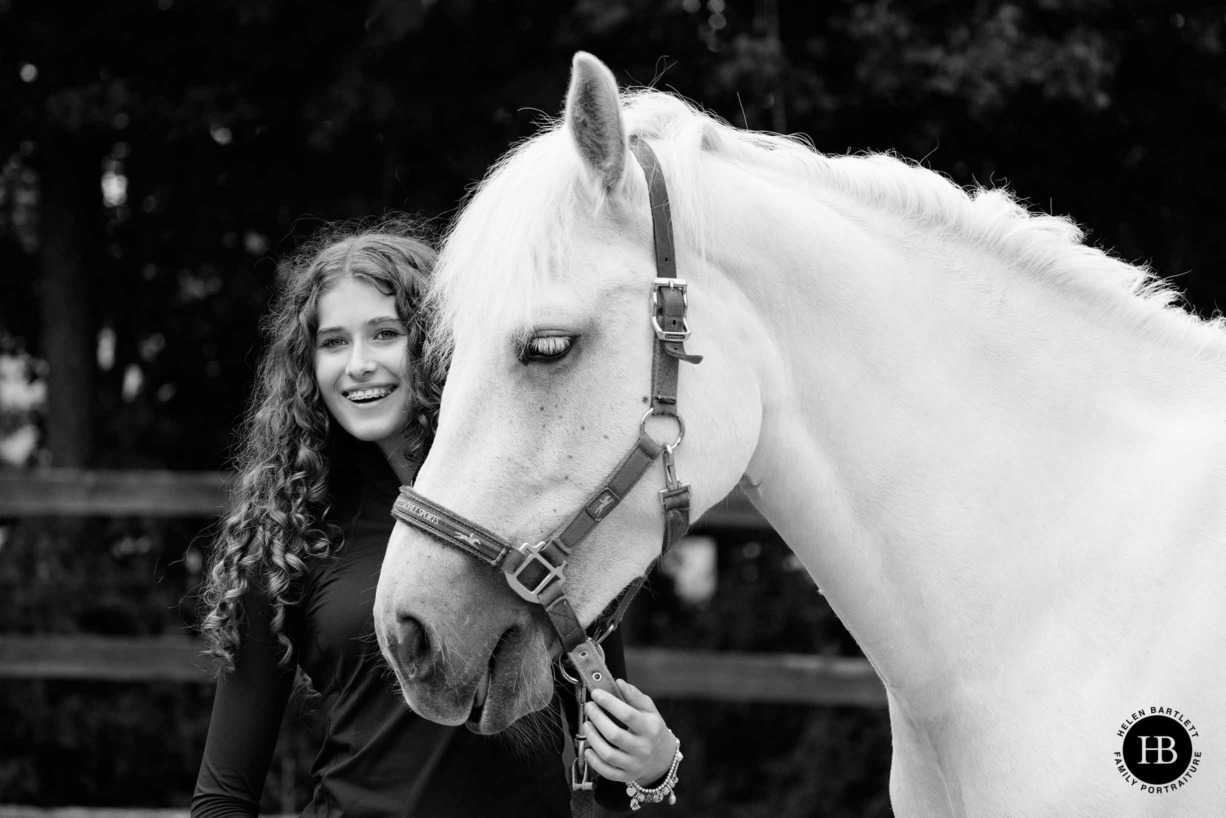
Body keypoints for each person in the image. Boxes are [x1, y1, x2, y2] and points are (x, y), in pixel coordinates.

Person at [192, 221, 680, 817]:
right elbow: (221, 800)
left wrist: (652, 764)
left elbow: (609, 783)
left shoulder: (538, 512)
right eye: (334, 342)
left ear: (435, 340)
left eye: (385, 333)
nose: (360, 364)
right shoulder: (289, 533)